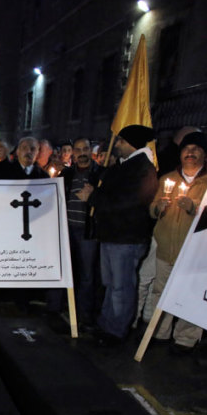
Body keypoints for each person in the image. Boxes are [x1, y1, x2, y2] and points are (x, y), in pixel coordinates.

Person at [84, 124, 158, 345]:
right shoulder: (123, 166)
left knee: (122, 287)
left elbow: (128, 201)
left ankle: (116, 330)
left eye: (121, 141)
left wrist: (94, 198)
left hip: (126, 238)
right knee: (111, 285)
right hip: (112, 235)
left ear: (132, 144)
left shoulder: (143, 168)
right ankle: (106, 323)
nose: (116, 145)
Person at [149, 131, 207, 353]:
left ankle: (185, 339)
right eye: (186, 149)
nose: (190, 153)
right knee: (161, 291)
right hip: (167, 248)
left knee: (190, 294)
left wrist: (194, 208)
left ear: (204, 154)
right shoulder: (168, 179)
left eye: (196, 149)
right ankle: (160, 332)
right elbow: (152, 208)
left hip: (195, 252)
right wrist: (159, 208)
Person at [54, 136, 102, 329]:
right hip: (67, 230)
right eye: (78, 150)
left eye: (85, 149)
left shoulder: (100, 174)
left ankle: (84, 314)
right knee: (67, 271)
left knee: (87, 275)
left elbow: (108, 200)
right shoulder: (66, 174)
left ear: (91, 151)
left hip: (88, 232)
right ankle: (62, 308)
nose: (82, 153)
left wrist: (93, 197)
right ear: (73, 153)